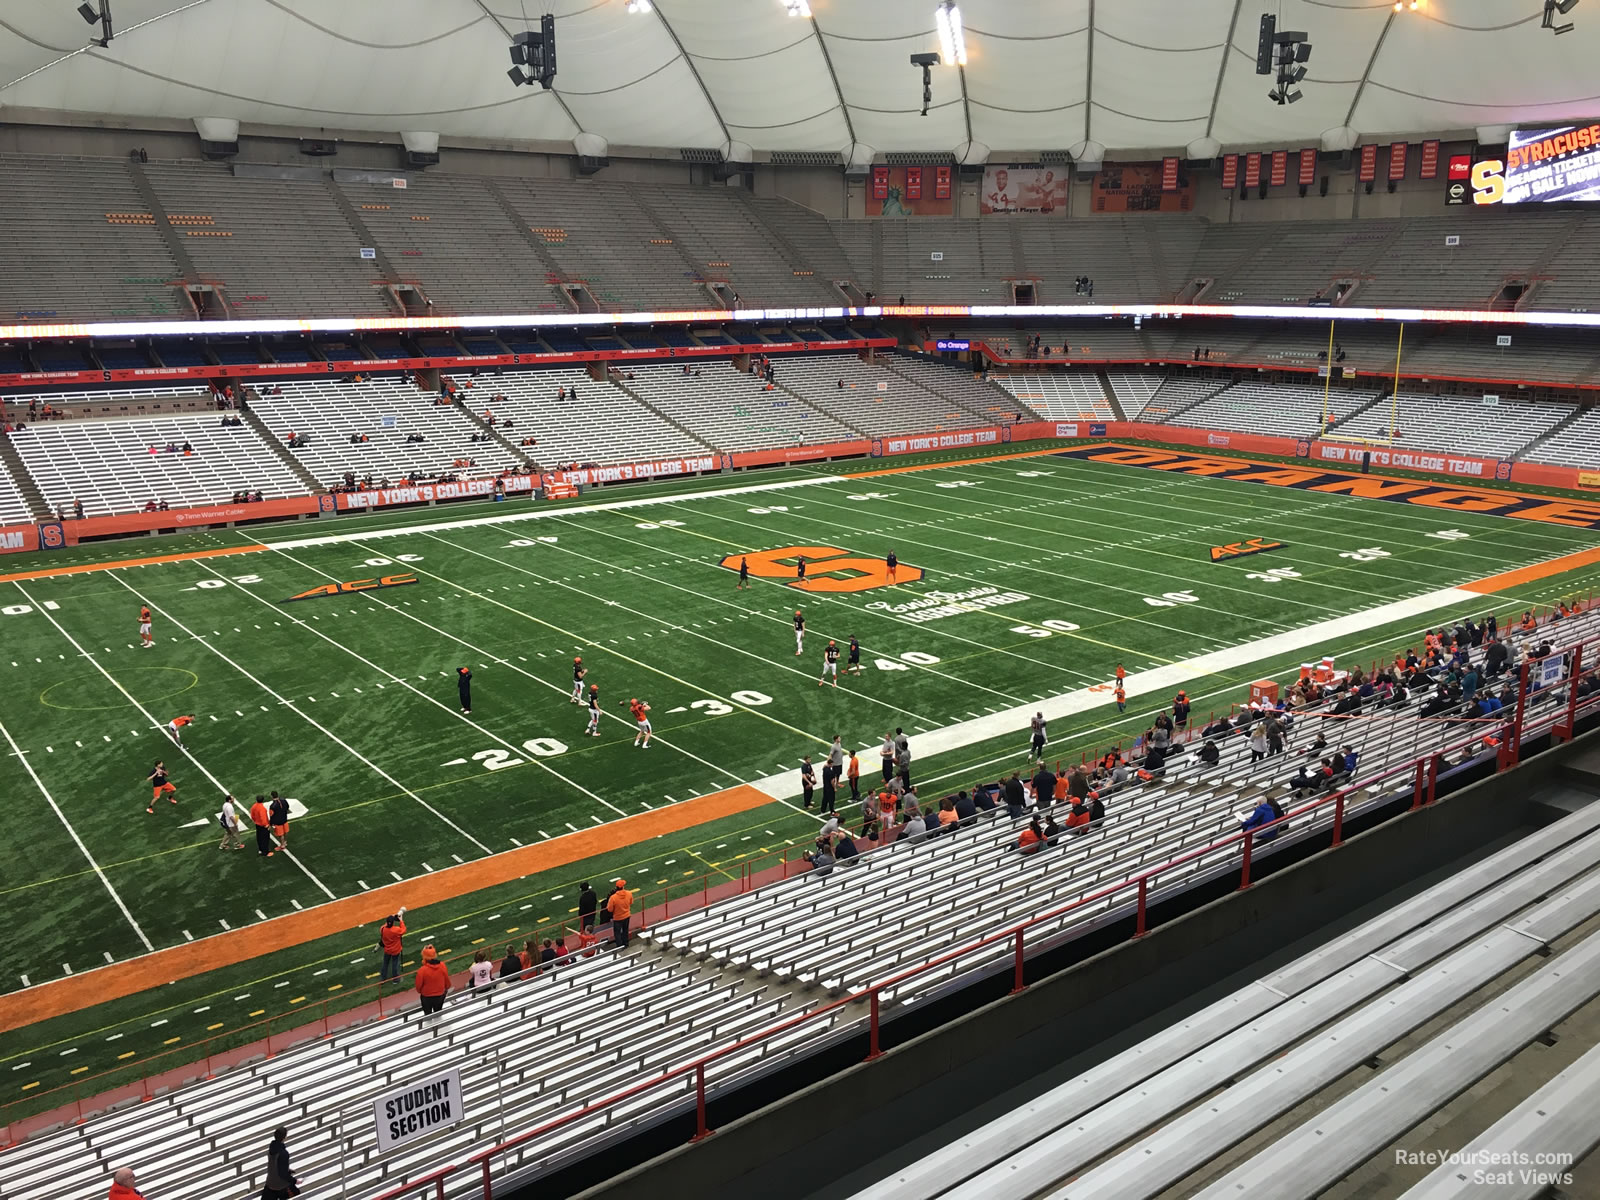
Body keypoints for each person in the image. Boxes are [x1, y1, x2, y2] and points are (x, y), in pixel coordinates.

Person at [262, 1126, 298, 1199]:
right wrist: (294, 1180)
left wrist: (287, 1170)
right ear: (284, 1137)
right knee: (297, 1194)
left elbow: (275, 1165)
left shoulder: (271, 1149)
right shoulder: (283, 1153)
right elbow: (282, 1174)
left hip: (269, 1183)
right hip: (279, 1186)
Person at [415, 946, 450, 1018]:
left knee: (428, 1015)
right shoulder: (442, 965)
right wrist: (446, 988)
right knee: (438, 1014)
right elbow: (447, 980)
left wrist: (421, 991)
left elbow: (418, 986)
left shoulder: (422, 970)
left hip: (427, 997)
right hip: (440, 995)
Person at [379, 908, 408, 981]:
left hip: (387, 949)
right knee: (395, 964)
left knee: (385, 963)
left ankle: (383, 978)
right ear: (392, 923)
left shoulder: (382, 929)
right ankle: (395, 979)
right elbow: (404, 930)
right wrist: (401, 920)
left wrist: (392, 917)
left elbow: (386, 925)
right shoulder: (396, 930)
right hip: (395, 950)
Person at [605, 879, 634, 945]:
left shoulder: (613, 898)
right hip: (627, 915)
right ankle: (626, 943)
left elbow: (610, 909)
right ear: (623, 887)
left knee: (617, 933)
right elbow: (631, 902)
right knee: (625, 930)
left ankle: (619, 946)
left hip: (617, 918)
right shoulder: (629, 893)